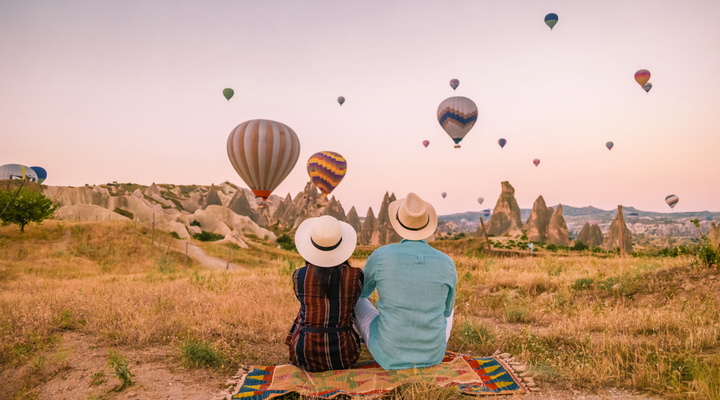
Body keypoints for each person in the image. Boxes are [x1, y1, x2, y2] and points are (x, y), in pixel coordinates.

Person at [354, 192, 457, 370]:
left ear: (398, 224)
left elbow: (361, 292)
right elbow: (447, 312)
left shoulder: (381, 255)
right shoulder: (447, 262)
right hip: (433, 354)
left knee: (357, 300)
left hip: (388, 353)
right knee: (451, 309)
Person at [285, 215, 364, 372]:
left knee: (304, 310)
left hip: (305, 355)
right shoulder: (356, 275)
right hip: (344, 355)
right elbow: (353, 302)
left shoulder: (299, 275)